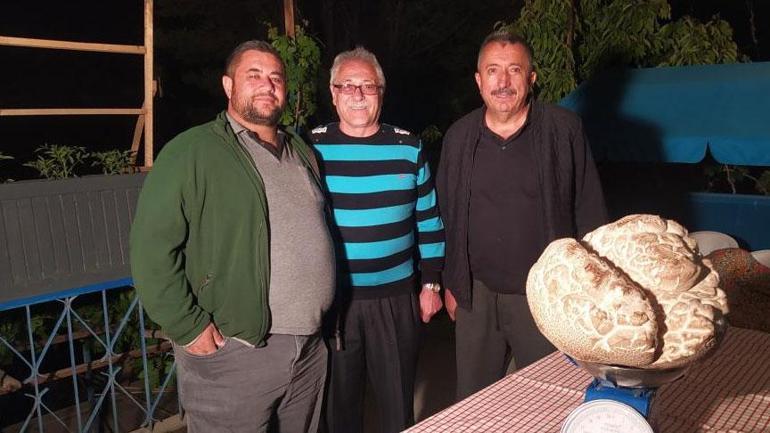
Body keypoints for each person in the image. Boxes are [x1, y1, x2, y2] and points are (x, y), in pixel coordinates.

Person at [129, 40, 335, 433]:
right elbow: (150, 249)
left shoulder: (301, 151)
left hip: (310, 346)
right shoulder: (193, 151)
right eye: (253, 75)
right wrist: (189, 327)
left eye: (275, 77)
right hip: (237, 350)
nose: (267, 85)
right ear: (228, 85)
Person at [436, 31, 607, 400]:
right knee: (474, 404)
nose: (503, 81)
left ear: (531, 78)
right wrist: (451, 282)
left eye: (514, 70)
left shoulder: (564, 131)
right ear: (478, 80)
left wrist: (590, 288)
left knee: (549, 399)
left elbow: (590, 211)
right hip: (477, 297)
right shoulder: (458, 138)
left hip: (545, 296)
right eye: (493, 70)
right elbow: (446, 216)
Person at [309, 47, 445, 433]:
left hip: (396, 299)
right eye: (347, 85)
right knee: (339, 409)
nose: (357, 94)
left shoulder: (408, 147)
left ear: (381, 93)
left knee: (397, 405)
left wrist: (432, 283)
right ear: (333, 93)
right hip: (334, 301)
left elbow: (428, 218)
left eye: (367, 86)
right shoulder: (310, 148)